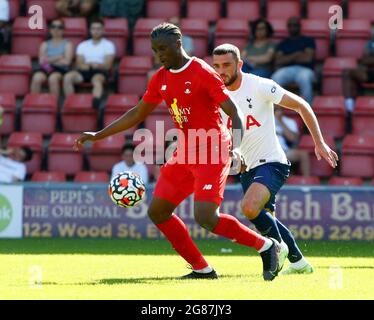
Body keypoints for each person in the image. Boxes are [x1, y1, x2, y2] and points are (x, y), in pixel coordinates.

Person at [75, 22, 288, 281]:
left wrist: (237, 148)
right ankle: (202, 269)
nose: (159, 55)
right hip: (185, 151)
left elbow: (235, 112)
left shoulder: (202, 71)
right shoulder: (161, 77)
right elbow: (137, 113)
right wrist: (98, 135)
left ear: (179, 44)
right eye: (155, 50)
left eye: (163, 49)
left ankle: (268, 247)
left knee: (206, 217)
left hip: (213, 149)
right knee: (158, 212)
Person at [213, 43, 338, 274]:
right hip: (246, 167)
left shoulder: (260, 85)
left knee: (250, 208)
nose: (221, 71)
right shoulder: (217, 95)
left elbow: (302, 105)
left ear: (239, 64)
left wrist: (318, 142)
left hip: (272, 161)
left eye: (227, 65)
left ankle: (276, 250)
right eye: (217, 66)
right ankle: (298, 261)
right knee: (266, 219)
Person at [63, 19, 115, 109]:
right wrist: (91, 65)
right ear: (90, 30)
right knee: (68, 77)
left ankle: (95, 104)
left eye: (99, 29)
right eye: (94, 28)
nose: (96, 31)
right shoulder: (82, 45)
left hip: (100, 71)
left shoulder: (109, 45)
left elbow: (108, 65)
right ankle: (70, 102)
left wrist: (95, 66)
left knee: (97, 80)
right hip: (85, 71)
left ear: (103, 30)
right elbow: (79, 64)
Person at [271, 17, 316, 104]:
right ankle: (276, 109)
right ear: (287, 27)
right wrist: (297, 54)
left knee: (305, 78)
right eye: (290, 25)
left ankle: (308, 110)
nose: (293, 27)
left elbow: (307, 58)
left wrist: (287, 57)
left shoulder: (308, 40)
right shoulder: (283, 43)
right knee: (275, 78)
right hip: (287, 70)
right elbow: (279, 61)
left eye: (295, 25)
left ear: (299, 26)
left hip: (304, 69)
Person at [30, 19, 74, 97]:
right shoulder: (45, 44)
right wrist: (59, 57)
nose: (56, 29)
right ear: (50, 29)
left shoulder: (68, 44)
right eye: (53, 27)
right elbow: (41, 62)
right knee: (36, 78)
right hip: (46, 68)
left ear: (63, 30)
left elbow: (67, 62)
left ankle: (54, 105)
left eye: (59, 27)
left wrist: (49, 60)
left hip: (60, 70)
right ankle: (33, 102)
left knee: (53, 78)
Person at [274, 105, 310, 177]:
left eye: (279, 109)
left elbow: (292, 138)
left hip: (284, 152)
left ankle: (307, 182)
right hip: (268, 153)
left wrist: (280, 121)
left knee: (303, 154)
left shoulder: (290, 122)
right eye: (275, 109)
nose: (277, 111)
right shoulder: (265, 121)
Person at [342, 38, 374, 112]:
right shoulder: (370, 43)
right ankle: (349, 107)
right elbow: (364, 60)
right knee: (347, 73)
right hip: (370, 72)